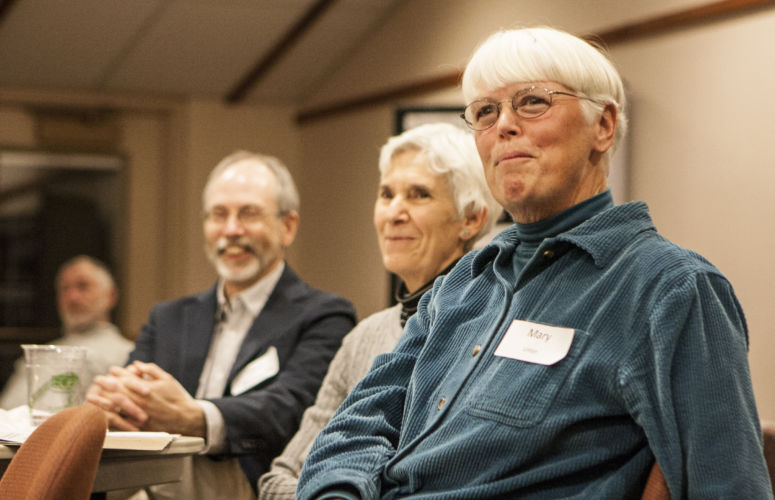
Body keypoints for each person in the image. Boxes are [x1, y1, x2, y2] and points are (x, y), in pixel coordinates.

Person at [297, 27, 773, 499]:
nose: (503, 125)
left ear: (603, 126)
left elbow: (730, 486)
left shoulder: (669, 290)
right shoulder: (463, 282)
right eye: (485, 111)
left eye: (532, 102)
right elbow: (354, 427)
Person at [86, 151, 356, 499]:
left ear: (287, 226)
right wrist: (112, 403)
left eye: (249, 214)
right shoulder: (167, 317)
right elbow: (129, 398)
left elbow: (292, 410)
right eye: (218, 215)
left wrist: (195, 418)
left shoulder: (325, 316)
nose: (231, 230)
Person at [257, 123, 502, 499]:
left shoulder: (491, 332)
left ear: (471, 219)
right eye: (386, 194)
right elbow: (281, 476)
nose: (394, 212)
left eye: (419, 195)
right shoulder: (363, 339)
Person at [0, 255, 133, 409]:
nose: (72, 297)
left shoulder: (128, 354)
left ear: (111, 295)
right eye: (65, 289)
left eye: (83, 286)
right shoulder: (37, 354)